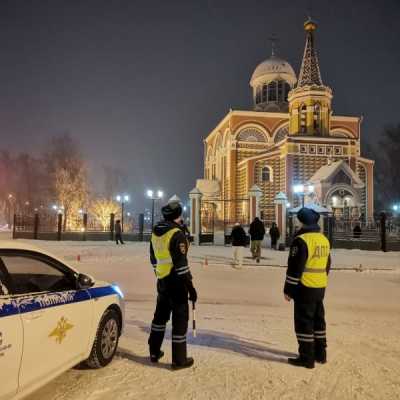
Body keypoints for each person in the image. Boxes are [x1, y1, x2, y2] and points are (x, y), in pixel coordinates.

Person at [148, 201, 197, 370]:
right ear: (178, 215)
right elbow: (181, 264)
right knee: (180, 319)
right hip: (176, 281)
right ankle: (179, 360)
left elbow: (153, 258)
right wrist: (190, 287)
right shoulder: (176, 233)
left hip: (162, 280)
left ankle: (154, 352)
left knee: (159, 317)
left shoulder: (156, 231)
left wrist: (159, 274)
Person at [283, 207, 331, 369]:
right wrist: (322, 278)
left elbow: (295, 267)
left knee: (304, 322)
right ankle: (320, 354)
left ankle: (306, 357)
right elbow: (328, 264)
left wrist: (289, 289)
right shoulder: (323, 239)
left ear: (302, 222)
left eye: (298, 219)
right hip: (320, 286)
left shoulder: (302, 240)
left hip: (305, 287)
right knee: (318, 321)